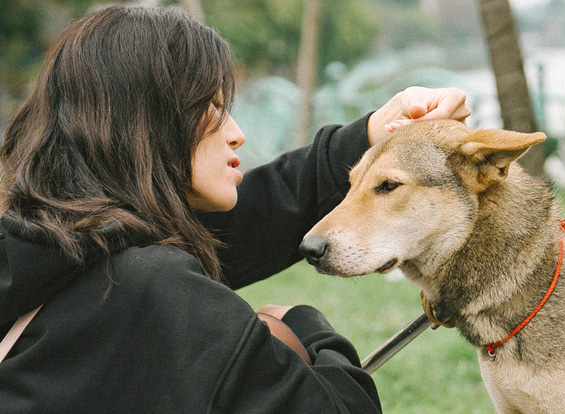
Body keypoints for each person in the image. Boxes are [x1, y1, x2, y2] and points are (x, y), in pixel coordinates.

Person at [0, 5, 470, 414]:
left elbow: (245, 223)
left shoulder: (50, 249)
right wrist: (302, 327)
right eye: (215, 108)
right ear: (151, 123)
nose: (237, 132)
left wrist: (370, 132)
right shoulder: (149, 289)